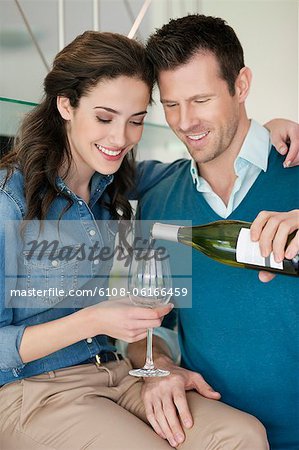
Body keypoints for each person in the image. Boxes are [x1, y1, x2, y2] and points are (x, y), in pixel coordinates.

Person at [0, 29, 297, 450]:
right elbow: (137, 319)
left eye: (136, 121)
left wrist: (269, 133)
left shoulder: (123, 185)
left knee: (243, 436)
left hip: (112, 373)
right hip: (33, 389)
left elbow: (217, 153)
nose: (120, 138)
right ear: (65, 105)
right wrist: (109, 329)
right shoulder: (11, 199)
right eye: (105, 118)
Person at [128, 14, 299, 450]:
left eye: (201, 99)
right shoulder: (160, 201)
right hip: (221, 436)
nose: (185, 122)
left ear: (241, 85)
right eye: (170, 104)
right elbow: (146, 329)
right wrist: (158, 367)